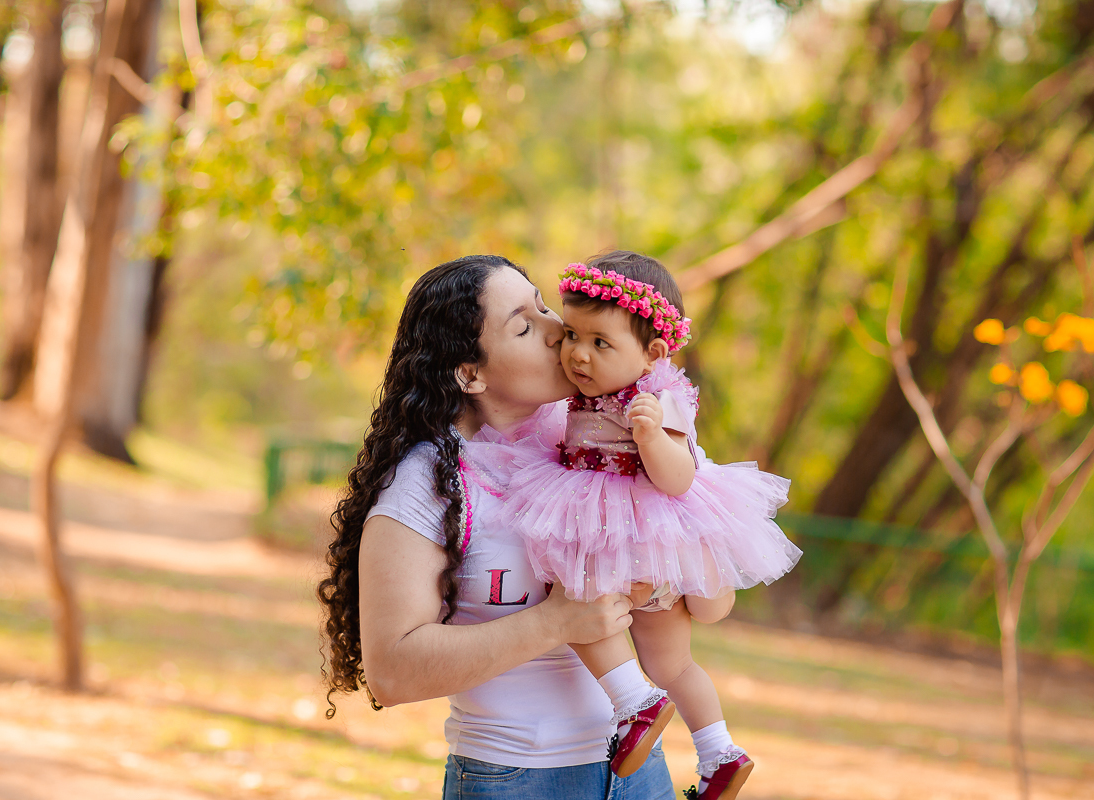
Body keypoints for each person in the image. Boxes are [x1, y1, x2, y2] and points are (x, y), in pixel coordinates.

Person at [317, 255, 676, 798]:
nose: (557, 330)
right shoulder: (424, 482)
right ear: (471, 373)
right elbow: (391, 672)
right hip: (518, 778)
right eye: (524, 326)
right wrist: (555, 623)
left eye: (543, 306)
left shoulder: (591, 436)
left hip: (641, 772)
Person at [493, 251, 802, 799]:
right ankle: (716, 753)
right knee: (664, 660)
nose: (578, 353)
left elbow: (679, 478)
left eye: (600, 342)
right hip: (627, 545)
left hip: (644, 546)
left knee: (583, 611)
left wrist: (652, 437)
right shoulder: (580, 391)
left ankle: (651, 710)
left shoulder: (660, 399)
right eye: (572, 335)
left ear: (653, 352)